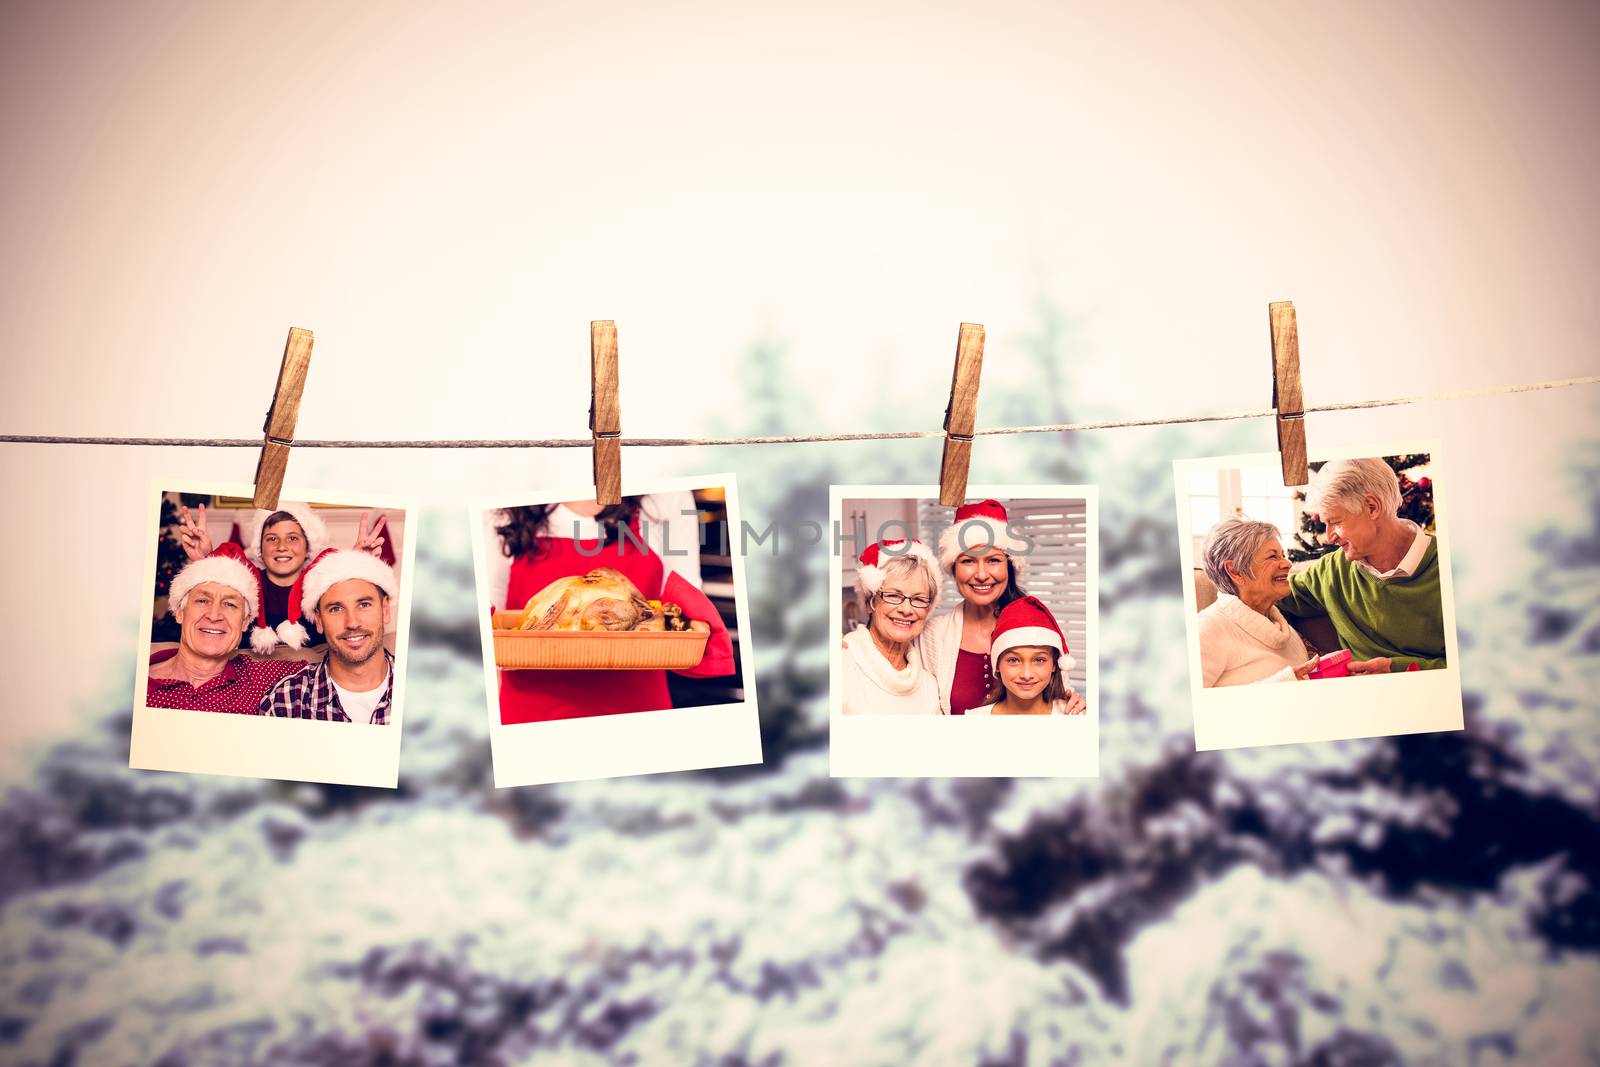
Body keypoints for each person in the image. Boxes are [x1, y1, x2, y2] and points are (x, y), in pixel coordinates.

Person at [488, 493, 735, 723]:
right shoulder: (501, 502)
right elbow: (487, 624)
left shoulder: (665, 495)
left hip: (640, 715)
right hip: (527, 718)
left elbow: (686, 610)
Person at [1279, 458, 1446, 673]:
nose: (1329, 538)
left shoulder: (1448, 568)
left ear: (1371, 507)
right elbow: (1267, 593)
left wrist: (1397, 668)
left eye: (1336, 522)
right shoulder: (1332, 570)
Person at [176, 502, 389, 651]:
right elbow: (215, 593)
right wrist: (206, 558)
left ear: (308, 547)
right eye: (271, 539)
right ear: (260, 548)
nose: (282, 547)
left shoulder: (324, 587)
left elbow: (348, 603)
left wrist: (357, 566)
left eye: (293, 538)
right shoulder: (241, 584)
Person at [146, 544, 310, 712]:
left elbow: (327, 674)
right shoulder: (136, 679)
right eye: (202, 601)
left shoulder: (262, 678)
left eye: (230, 604)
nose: (214, 615)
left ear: (245, 622)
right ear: (180, 612)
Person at [918, 499, 1033, 714]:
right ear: (953, 568)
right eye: (968, 561)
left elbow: (1057, 697)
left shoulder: (1034, 624)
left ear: (1010, 567)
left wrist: (1073, 705)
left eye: (993, 560)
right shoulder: (932, 635)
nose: (981, 575)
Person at [259, 549, 399, 723]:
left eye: (364, 604)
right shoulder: (283, 701)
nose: (352, 623)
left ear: (385, 610)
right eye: (336, 609)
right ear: (318, 620)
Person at [1196, 517, 1318, 686]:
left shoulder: (1287, 633)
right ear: (1235, 571)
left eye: (1283, 555)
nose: (1287, 563)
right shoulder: (1207, 628)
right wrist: (1283, 682)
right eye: (1272, 556)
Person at [840, 539, 943, 715]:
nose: (906, 609)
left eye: (918, 599)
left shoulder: (929, 685)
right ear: (869, 602)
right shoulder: (841, 664)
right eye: (894, 596)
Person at [966, 596, 1087, 715]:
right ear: (997, 664)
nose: (1026, 675)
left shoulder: (1075, 715)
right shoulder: (973, 718)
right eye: (1013, 660)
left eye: (1039, 660)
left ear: (1054, 664)